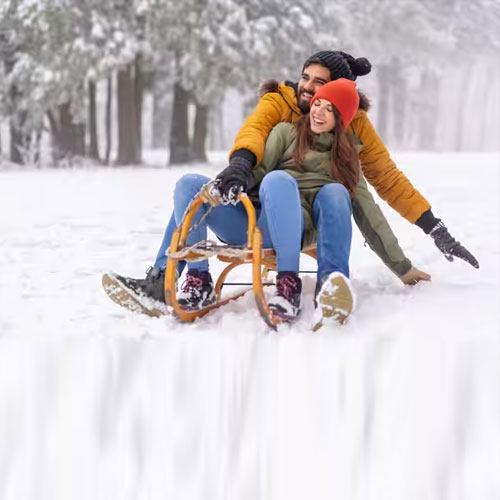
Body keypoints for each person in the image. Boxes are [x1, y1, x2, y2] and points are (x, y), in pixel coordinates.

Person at [103, 50, 478, 318]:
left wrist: (432, 229)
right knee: (191, 186)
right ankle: (178, 280)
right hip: (260, 212)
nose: (309, 90)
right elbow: (254, 134)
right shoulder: (281, 111)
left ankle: (316, 283)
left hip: (305, 219)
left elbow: (385, 182)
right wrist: (238, 169)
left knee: (333, 190)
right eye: (306, 78)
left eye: (322, 86)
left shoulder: (353, 134)